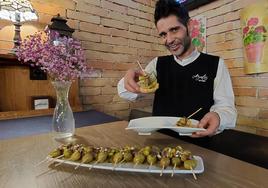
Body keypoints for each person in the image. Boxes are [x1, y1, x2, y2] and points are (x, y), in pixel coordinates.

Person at [117, 0, 237, 138]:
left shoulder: (216, 64)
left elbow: (227, 108)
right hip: (160, 146)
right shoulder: (157, 64)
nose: (169, 40)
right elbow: (126, 93)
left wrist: (218, 116)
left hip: (201, 145)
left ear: (189, 25)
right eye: (163, 34)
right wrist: (130, 78)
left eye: (174, 30)